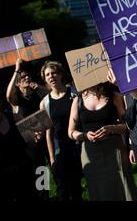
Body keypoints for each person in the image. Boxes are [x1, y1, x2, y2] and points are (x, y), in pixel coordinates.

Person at [68, 82, 137, 201]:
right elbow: (71, 132)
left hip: (114, 149)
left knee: (123, 186)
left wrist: (112, 128)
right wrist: (85, 136)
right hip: (91, 153)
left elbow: (127, 126)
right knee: (98, 189)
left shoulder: (114, 96)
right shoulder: (78, 100)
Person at [6, 58, 49, 200]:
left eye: (28, 76)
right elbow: (8, 94)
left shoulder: (38, 93)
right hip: (30, 143)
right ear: (18, 83)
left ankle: (47, 194)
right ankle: (42, 195)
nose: (27, 78)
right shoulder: (16, 100)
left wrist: (39, 87)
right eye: (23, 78)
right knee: (39, 169)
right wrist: (17, 69)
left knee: (53, 166)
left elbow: (51, 91)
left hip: (46, 136)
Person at [40, 61, 83, 201]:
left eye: (54, 73)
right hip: (61, 149)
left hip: (80, 145)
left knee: (77, 188)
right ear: (44, 79)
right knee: (63, 189)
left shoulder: (74, 93)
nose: (51, 76)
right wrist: (52, 158)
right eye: (47, 74)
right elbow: (48, 132)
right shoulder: (45, 102)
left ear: (60, 74)